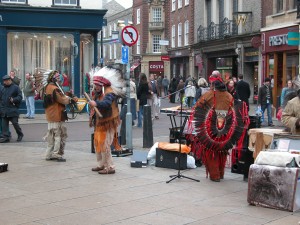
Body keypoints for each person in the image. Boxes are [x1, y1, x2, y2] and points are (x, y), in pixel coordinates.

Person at [188, 70, 248, 182]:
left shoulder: (209, 95)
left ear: (213, 85)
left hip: (211, 128)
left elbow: (197, 107)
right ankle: (220, 173)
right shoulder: (229, 96)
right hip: (226, 128)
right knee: (222, 150)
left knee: (211, 151)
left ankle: (215, 175)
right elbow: (233, 109)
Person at [89, 67, 125, 174]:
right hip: (100, 121)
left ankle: (110, 167)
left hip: (108, 122)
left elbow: (106, 104)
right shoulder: (97, 92)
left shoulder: (110, 92)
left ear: (103, 85)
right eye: (95, 85)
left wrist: (96, 104)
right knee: (98, 143)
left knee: (105, 144)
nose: (95, 87)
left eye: (97, 85)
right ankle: (101, 164)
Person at [43, 70, 78, 162]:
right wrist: (71, 100)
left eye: (59, 77)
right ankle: (56, 154)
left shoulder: (48, 87)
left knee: (51, 134)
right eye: (57, 77)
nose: (59, 79)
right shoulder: (54, 88)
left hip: (50, 115)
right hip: (56, 114)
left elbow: (60, 96)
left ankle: (48, 154)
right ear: (53, 78)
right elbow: (61, 99)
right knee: (58, 135)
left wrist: (67, 95)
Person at [0, 75, 24, 143]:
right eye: (4, 81)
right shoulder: (3, 89)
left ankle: (20, 134)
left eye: (7, 81)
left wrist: (14, 100)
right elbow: (1, 99)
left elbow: (20, 97)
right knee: (4, 125)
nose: (6, 82)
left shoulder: (15, 87)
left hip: (12, 109)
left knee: (15, 123)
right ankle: (6, 137)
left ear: (10, 80)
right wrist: (1, 108)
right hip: (4, 110)